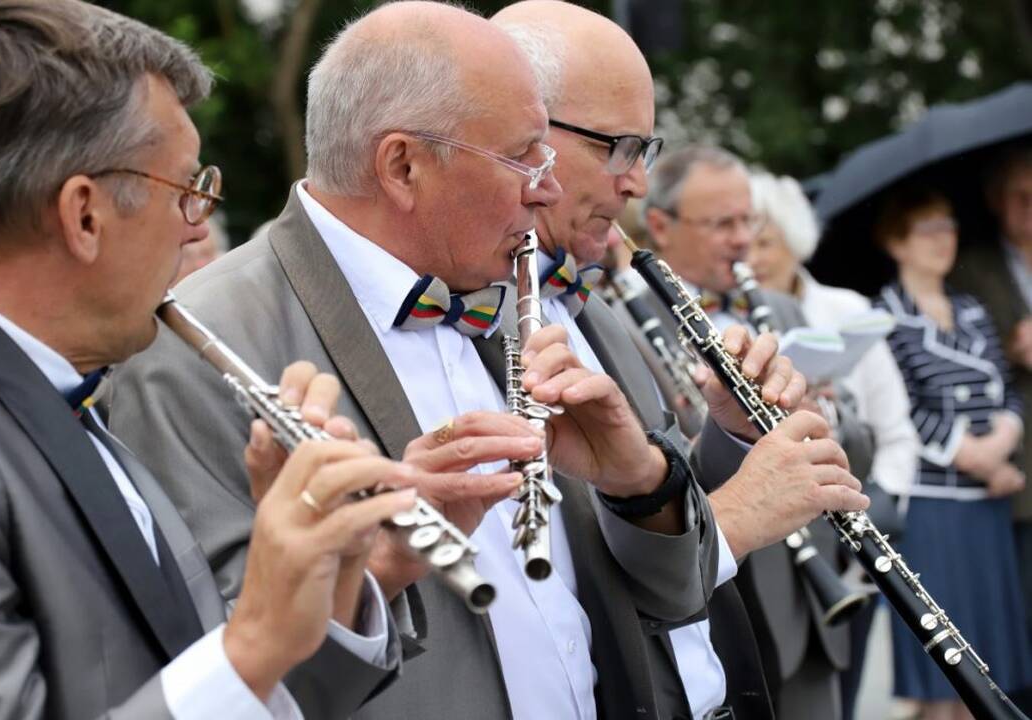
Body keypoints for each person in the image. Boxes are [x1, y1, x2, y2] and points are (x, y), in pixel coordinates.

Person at [107, 4, 867, 719]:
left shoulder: (511, 284)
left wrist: (644, 486)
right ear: (402, 167)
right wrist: (375, 566)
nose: (546, 189)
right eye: (520, 157)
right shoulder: (195, 347)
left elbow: (635, 590)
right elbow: (226, 666)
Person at [0, 1, 412, 717]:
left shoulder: (70, 403)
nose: (194, 232)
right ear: (84, 215)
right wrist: (256, 636)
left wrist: (326, 584)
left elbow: (209, 687)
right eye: (189, 191)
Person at [490, 5, 842, 717]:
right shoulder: (476, 317)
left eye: (643, 151)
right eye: (618, 148)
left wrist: (734, 434)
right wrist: (739, 517)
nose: (636, 184)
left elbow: (648, 494)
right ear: (525, 135)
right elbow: (559, 578)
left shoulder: (590, 308)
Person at [641, 146, 874, 720]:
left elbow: (859, 449)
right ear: (660, 226)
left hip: (813, 607)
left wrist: (829, 419)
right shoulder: (623, 320)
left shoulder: (784, 312)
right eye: (723, 223)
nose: (742, 239)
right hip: (721, 600)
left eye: (750, 221)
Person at [746, 170, 921, 718]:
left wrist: (881, 507)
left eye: (765, 240)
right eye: (742, 237)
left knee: (842, 693)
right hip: (777, 550)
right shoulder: (727, 313)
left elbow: (896, 429)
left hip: (852, 541)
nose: (751, 254)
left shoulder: (844, 309)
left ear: (793, 239)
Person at [874, 184, 1032, 720]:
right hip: (933, 510)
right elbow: (899, 404)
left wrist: (1003, 442)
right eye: (929, 229)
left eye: (950, 227)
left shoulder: (973, 310)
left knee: (985, 673)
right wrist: (975, 456)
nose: (945, 240)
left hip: (986, 506)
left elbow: (1007, 388)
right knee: (943, 679)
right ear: (898, 243)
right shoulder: (884, 314)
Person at [949, 147, 1032, 706]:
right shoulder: (973, 267)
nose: (1030, 208)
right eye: (1020, 196)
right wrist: (1012, 347)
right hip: (1016, 467)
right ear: (997, 202)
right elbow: (958, 354)